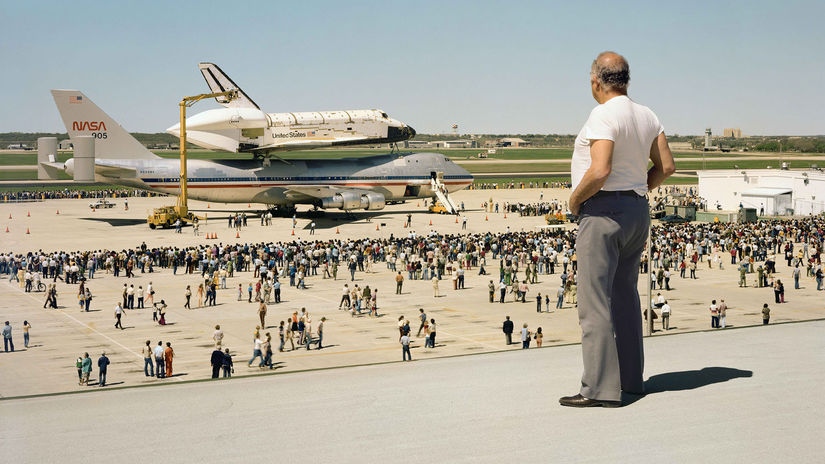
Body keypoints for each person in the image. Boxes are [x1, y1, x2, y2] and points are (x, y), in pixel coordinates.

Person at [561, 51, 675, 409]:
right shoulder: (647, 114)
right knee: (626, 297)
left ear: (596, 81)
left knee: (594, 303)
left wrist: (574, 201)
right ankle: (631, 381)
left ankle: (598, 389)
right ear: (626, 79)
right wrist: (638, 189)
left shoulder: (603, 113)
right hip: (637, 210)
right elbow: (667, 166)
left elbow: (599, 170)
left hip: (603, 210)